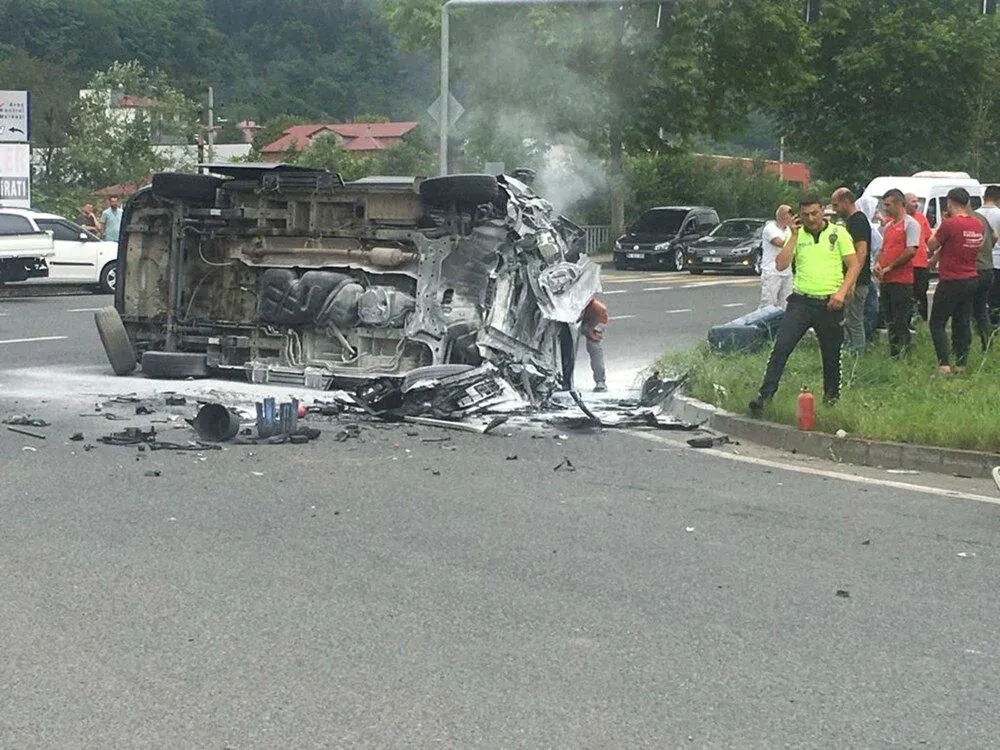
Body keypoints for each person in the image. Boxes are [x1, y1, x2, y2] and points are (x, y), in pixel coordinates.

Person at [749, 195, 861, 414]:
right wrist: (793, 236)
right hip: (801, 301)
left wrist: (841, 293)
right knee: (782, 346)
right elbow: (780, 265)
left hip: (829, 302)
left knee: (831, 354)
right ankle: (765, 396)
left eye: (814, 213)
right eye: (806, 215)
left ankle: (831, 400)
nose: (811, 218)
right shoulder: (796, 235)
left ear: (823, 211)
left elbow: (854, 264)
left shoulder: (838, 233)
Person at [926, 188, 984, 374]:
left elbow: (931, 244)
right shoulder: (977, 225)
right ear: (967, 203)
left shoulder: (949, 224)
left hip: (951, 279)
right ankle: (961, 363)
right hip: (971, 277)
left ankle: (944, 364)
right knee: (962, 321)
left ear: (949, 202)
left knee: (937, 322)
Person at [875, 190, 919, 358]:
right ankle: (894, 353)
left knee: (901, 320)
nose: (885, 208)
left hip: (902, 280)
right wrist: (878, 263)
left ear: (899, 204)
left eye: (888, 205)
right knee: (890, 319)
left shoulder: (910, 224)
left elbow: (910, 250)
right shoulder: (888, 226)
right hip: (886, 279)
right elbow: (883, 248)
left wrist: (890, 267)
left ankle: (905, 352)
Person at [831, 188, 871, 350]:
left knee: (854, 320)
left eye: (836, 205)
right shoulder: (851, 221)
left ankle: (857, 352)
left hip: (857, 281)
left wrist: (852, 280)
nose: (834, 209)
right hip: (851, 279)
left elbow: (861, 251)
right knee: (847, 318)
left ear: (846, 201)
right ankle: (849, 349)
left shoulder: (858, 221)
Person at [857, 196, 883, 341]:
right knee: (870, 307)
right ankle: (867, 338)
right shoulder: (868, 228)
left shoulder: (867, 225)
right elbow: (877, 248)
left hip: (868, 270)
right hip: (868, 272)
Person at [759, 205, 794, 310]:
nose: (791, 217)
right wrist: (794, 238)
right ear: (781, 215)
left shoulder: (789, 230)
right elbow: (779, 243)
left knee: (787, 303)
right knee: (769, 303)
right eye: (789, 214)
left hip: (787, 270)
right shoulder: (770, 228)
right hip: (771, 271)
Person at [905, 193, 933, 321]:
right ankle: (908, 320)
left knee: (921, 293)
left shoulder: (921, 218)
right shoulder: (897, 219)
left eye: (917, 201)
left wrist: (932, 255)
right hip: (906, 263)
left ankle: (922, 321)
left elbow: (929, 239)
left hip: (921, 263)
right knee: (907, 295)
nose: (916, 204)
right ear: (904, 204)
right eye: (913, 201)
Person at [972, 206, 996, 350]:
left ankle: (962, 350)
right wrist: (986, 252)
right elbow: (994, 236)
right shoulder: (981, 218)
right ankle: (987, 345)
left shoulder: (962, 220)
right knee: (981, 310)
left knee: (963, 310)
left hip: (973, 269)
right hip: (987, 268)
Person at [978, 185, 1000, 324]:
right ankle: (994, 328)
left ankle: (980, 326)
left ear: (983, 197)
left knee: (979, 300)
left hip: (979, 262)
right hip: (997, 261)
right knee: (995, 300)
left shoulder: (975, 214)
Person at [580, 297, 608, 392]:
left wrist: (593, 332)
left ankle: (600, 381)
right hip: (568, 319)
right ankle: (563, 379)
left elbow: (601, 325)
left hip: (589, 324)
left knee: (595, 348)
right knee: (564, 348)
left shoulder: (598, 308)